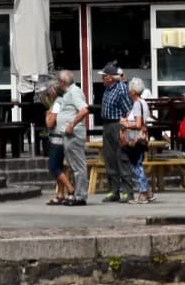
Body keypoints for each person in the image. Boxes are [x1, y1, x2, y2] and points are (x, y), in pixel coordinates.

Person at [98, 62, 135, 202]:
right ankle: (113, 190)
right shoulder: (107, 89)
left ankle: (127, 191)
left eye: (104, 76)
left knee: (121, 157)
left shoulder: (121, 89)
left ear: (111, 78)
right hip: (107, 125)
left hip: (118, 125)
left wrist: (126, 127)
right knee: (109, 158)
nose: (102, 79)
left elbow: (128, 109)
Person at [53, 70, 90, 206]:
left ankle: (80, 196)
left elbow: (84, 109)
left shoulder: (74, 92)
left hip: (73, 134)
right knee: (74, 165)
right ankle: (78, 194)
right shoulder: (68, 93)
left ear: (63, 82)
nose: (58, 84)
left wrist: (72, 124)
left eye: (59, 81)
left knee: (78, 166)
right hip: (68, 135)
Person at [121, 78, 154, 204]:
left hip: (135, 139)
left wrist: (125, 123)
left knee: (136, 166)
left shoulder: (136, 104)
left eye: (130, 89)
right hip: (139, 138)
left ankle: (143, 193)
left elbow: (138, 124)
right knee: (137, 164)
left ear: (133, 91)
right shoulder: (143, 103)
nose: (129, 92)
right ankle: (148, 192)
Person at [43, 83, 73, 205]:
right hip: (60, 139)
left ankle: (70, 189)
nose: (48, 92)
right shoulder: (61, 101)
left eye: (50, 89)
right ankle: (60, 194)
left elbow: (50, 124)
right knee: (59, 167)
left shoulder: (57, 103)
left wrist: (47, 115)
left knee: (53, 167)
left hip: (57, 140)